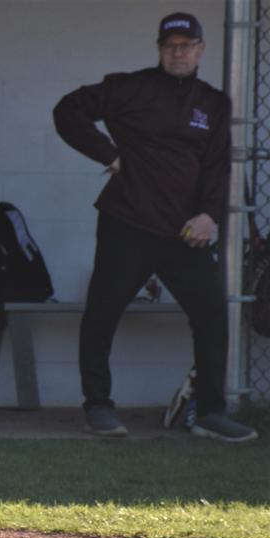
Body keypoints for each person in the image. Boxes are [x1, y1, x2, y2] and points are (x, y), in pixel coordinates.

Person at [53, 12, 257, 442]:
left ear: (201, 50)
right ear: (160, 49)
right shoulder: (131, 87)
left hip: (184, 232)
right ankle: (99, 406)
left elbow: (217, 167)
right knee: (102, 314)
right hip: (127, 222)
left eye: (187, 45)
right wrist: (108, 153)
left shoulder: (213, 103)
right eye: (171, 45)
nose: (178, 52)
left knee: (211, 315)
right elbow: (67, 111)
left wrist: (208, 216)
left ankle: (209, 412)